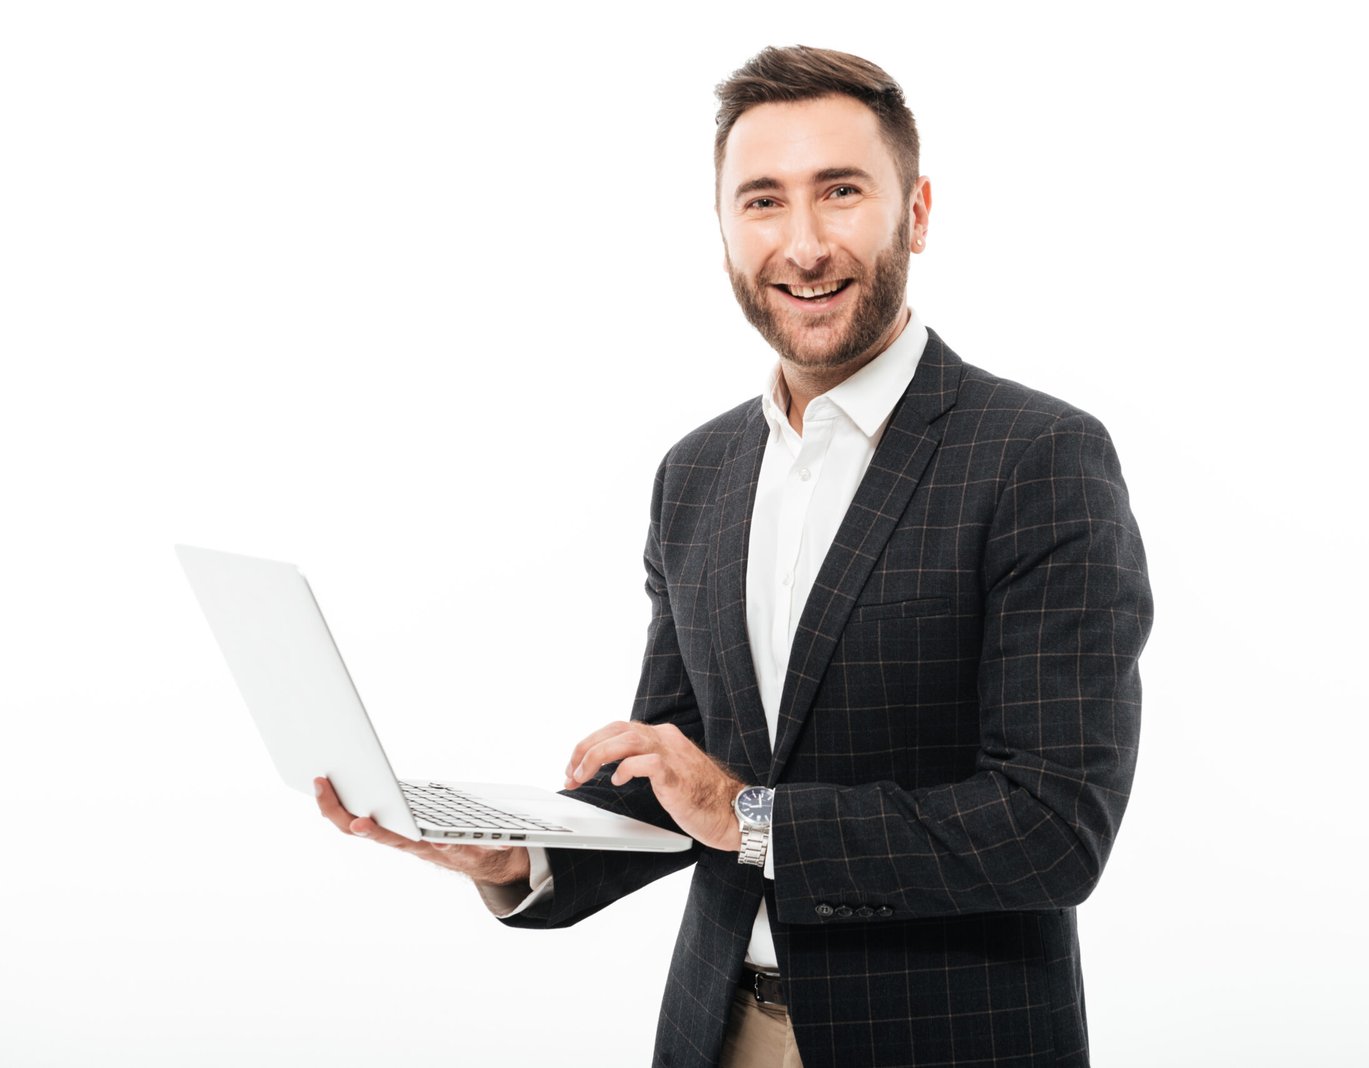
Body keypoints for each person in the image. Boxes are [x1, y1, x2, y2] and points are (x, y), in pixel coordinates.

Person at [315, 45, 1154, 1068]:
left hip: (944, 1036)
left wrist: (749, 815)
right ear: (723, 230)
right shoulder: (697, 474)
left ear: (917, 212)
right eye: (762, 202)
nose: (802, 245)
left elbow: (1053, 827)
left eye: (840, 192)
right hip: (719, 1031)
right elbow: (676, 782)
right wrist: (517, 853)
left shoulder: (1039, 457)